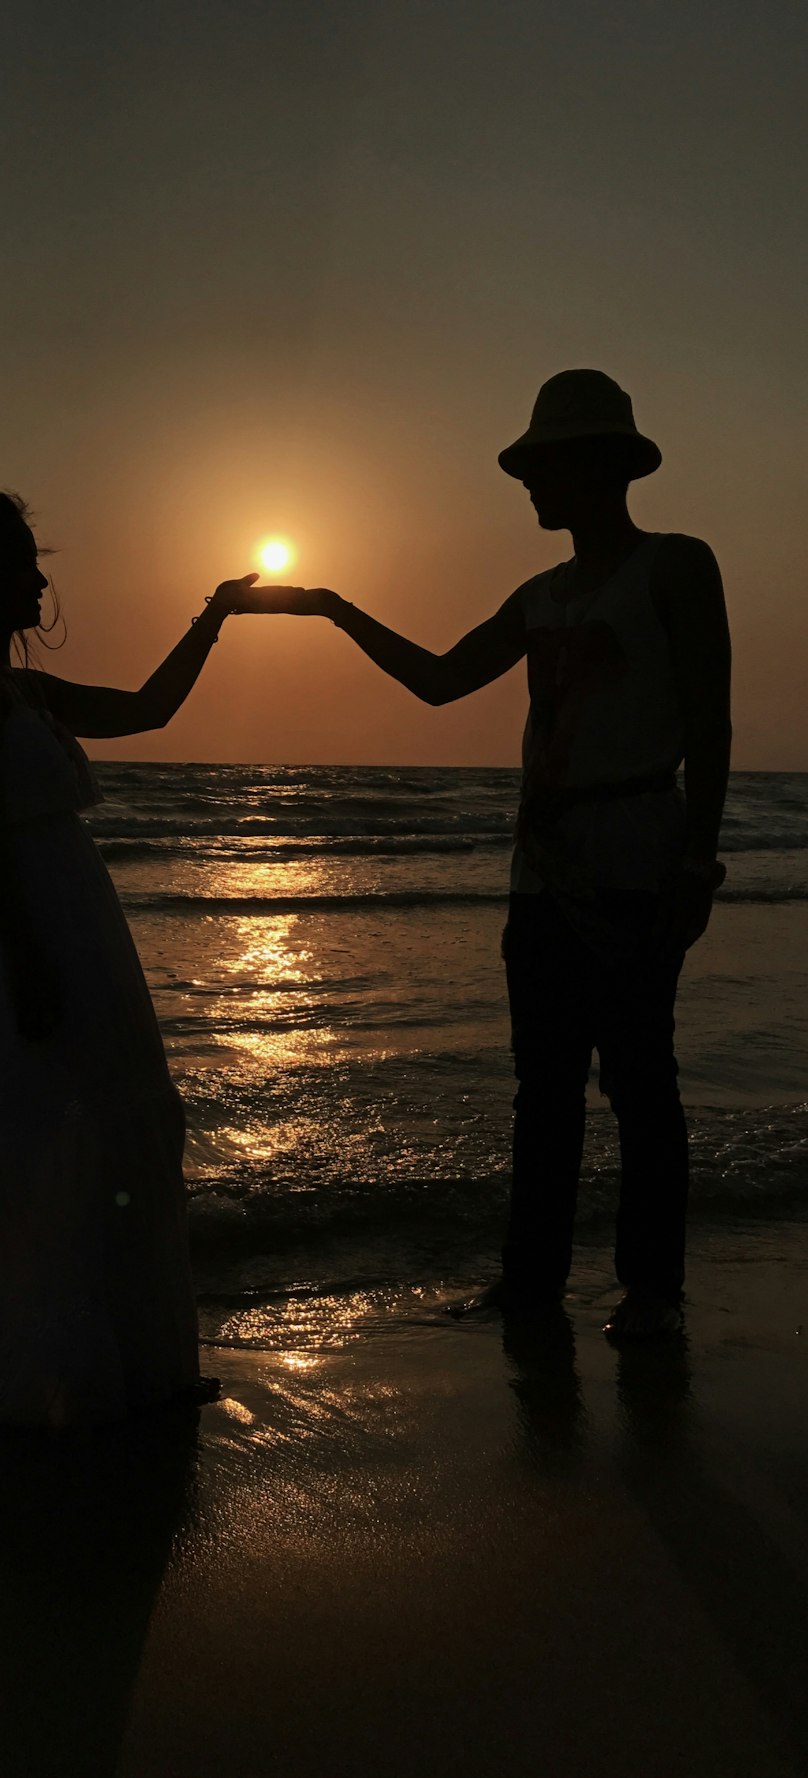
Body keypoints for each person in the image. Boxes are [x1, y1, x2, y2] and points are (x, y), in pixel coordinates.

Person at [234, 370, 732, 1338]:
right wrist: (336, 607)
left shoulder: (675, 566)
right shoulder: (539, 595)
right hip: (542, 872)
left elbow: (708, 723)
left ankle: (653, 1292)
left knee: (637, 1077)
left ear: (592, 466)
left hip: (637, 859)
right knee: (542, 1087)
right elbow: (439, 679)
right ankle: (531, 1282)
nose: (528, 486)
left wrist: (698, 861)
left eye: (542, 467)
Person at [0, 478, 270, 1427]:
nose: (37, 584)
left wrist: (214, 615)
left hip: (75, 919)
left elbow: (149, 709)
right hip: (35, 927)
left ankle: (124, 1361)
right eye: (21, 564)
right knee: (58, 1129)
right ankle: (68, 1371)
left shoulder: (16, 686)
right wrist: (26, 960)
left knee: (118, 1115)